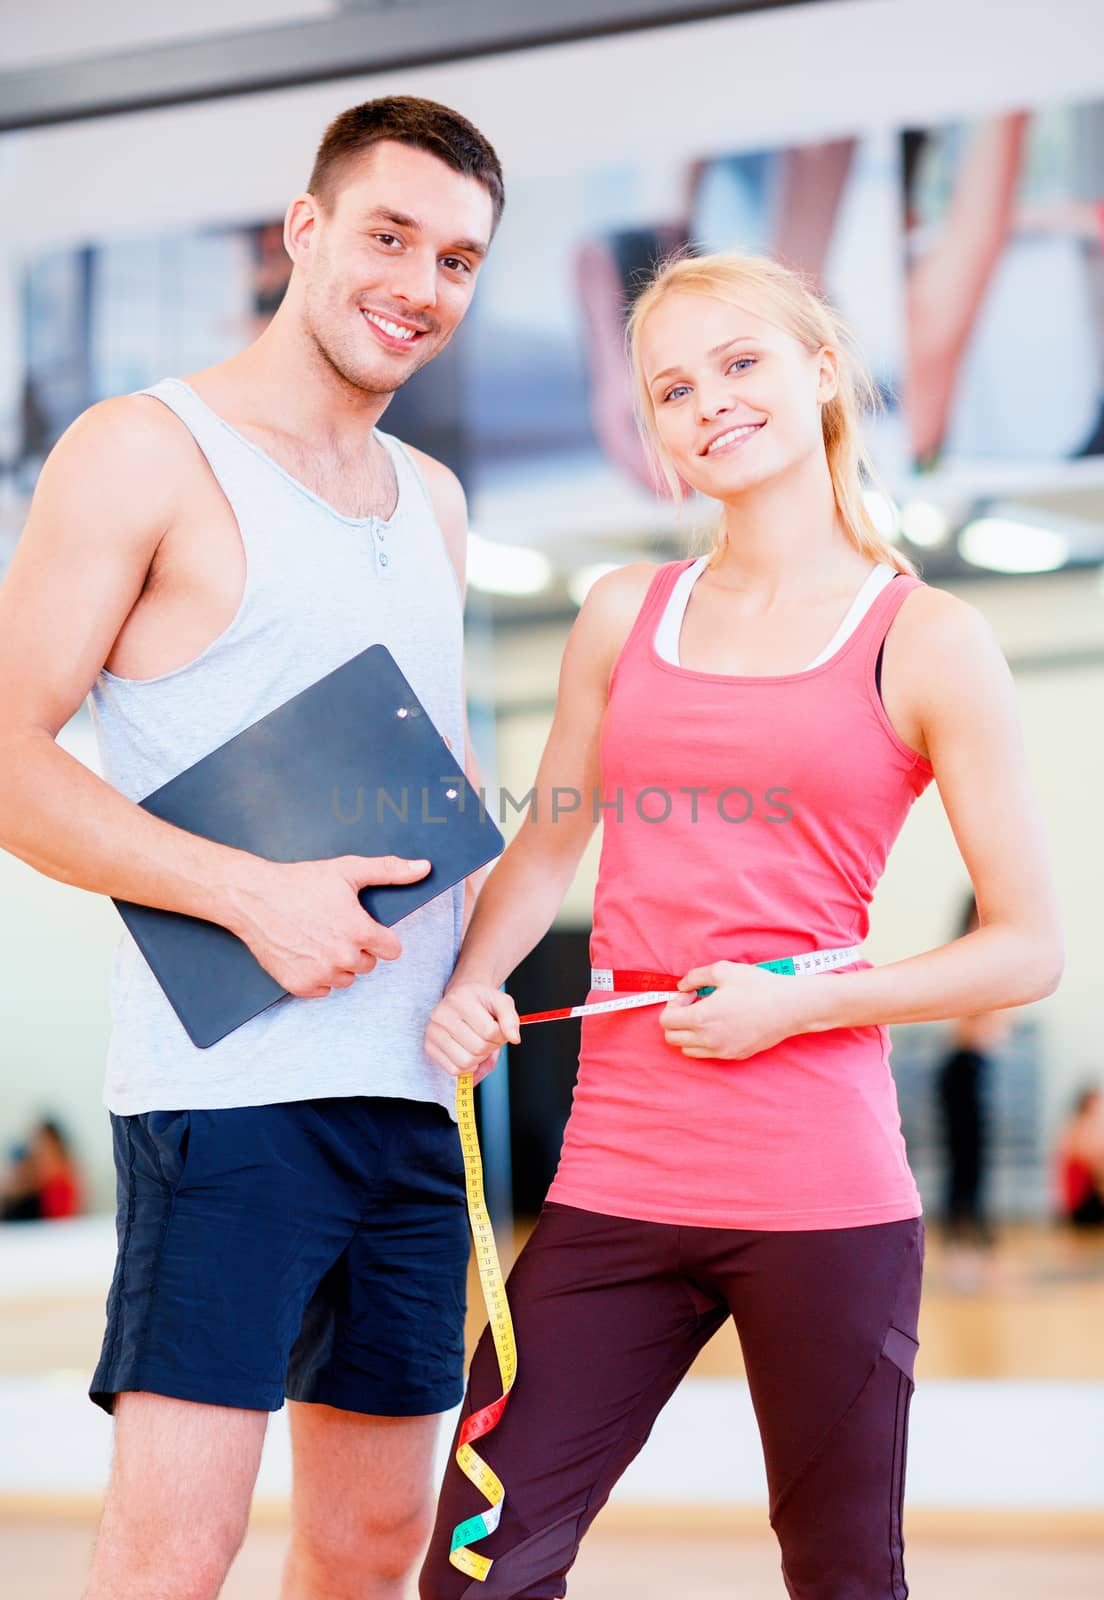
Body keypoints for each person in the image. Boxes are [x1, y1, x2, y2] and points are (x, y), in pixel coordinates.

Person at [416, 251, 1064, 1600]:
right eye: (672, 387)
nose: (708, 400)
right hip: (615, 1179)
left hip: (824, 1194)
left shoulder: (926, 638)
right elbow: (544, 853)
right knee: (478, 1566)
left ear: (820, 370)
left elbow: (1026, 946)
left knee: (839, 1576)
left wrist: (798, 1003)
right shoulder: (620, 616)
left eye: (741, 362)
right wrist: (470, 985)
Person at [0, 96, 503, 1600]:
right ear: (304, 229)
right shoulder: (143, 450)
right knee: (176, 1551)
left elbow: (446, 784)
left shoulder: (439, 502)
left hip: (417, 1098)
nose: (421, 282)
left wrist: (479, 966)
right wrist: (249, 896)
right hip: (229, 1104)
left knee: (371, 1545)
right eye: (390, 235)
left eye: (460, 259)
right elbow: (10, 760)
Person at [935, 892, 1015, 1251]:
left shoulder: (983, 956)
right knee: (963, 1152)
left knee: (974, 1153)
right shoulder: (969, 956)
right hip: (963, 1064)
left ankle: (971, 1221)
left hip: (974, 1064)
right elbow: (963, 1026)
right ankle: (961, 1222)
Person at [0, 1118, 83, 1221]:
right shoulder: (23, 1179)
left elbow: (62, 1220)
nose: (38, 1151)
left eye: (45, 1149)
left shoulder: (63, 1181)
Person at [1057, 1086, 1104, 1229]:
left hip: (1093, 1191)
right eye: (1097, 1103)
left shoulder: (1095, 1127)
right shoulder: (1078, 1127)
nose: (1101, 1108)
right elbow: (1090, 1157)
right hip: (1083, 1197)